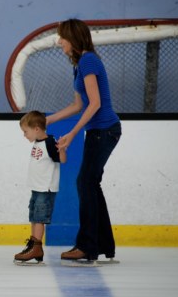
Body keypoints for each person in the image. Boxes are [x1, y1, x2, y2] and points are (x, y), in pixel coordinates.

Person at [46, 19, 122, 262]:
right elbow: (79, 105)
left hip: (105, 130)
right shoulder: (79, 64)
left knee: (85, 183)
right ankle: (105, 246)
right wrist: (49, 120)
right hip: (99, 131)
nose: (59, 42)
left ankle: (88, 246)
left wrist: (73, 133)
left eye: (62, 38)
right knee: (90, 184)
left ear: (73, 39)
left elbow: (96, 103)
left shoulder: (88, 60)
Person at [14, 111, 66, 264]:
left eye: (25, 131)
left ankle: (36, 246)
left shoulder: (50, 142)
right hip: (36, 188)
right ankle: (33, 245)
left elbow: (62, 160)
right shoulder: (38, 142)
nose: (24, 135)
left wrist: (61, 148)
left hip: (45, 189)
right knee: (34, 217)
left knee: (39, 218)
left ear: (36, 128)